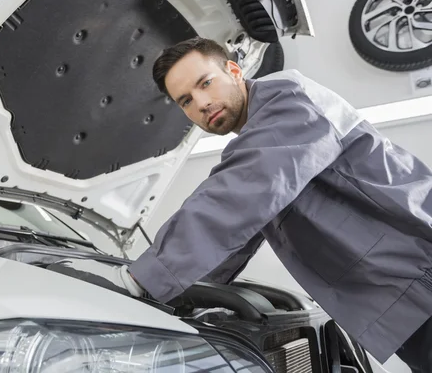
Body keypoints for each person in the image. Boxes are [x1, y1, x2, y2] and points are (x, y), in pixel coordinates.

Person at [51, 37, 432, 371]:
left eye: (205, 83)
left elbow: (236, 198)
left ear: (234, 70)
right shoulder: (257, 140)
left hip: (417, 276)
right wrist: (179, 296)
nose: (201, 103)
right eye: (185, 100)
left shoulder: (290, 98)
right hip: (398, 296)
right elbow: (235, 237)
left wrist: (135, 281)